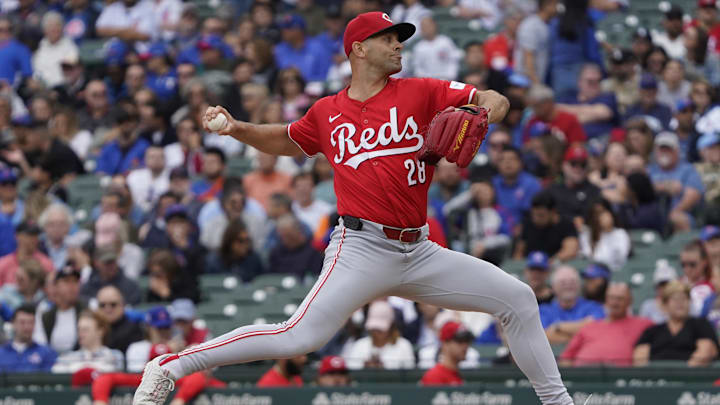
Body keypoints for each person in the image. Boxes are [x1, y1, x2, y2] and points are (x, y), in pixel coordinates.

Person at [133, 12, 574, 405]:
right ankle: (171, 366)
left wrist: (484, 113)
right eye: (388, 38)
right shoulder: (328, 112)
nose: (399, 44)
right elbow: (288, 139)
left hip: (419, 250)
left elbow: (491, 98)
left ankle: (559, 403)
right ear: (359, 49)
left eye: (400, 38)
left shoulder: (422, 92)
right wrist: (238, 128)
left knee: (517, 298)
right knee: (298, 336)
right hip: (361, 247)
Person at [560, 283, 652, 366]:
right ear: (606, 300)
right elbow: (567, 357)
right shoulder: (589, 327)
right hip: (584, 376)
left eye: (620, 298)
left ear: (629, 301)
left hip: (620, 378)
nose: (614, 303)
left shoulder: (643, 324)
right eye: (611, 298)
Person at [634, 281, 719, 366]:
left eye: (684, 298)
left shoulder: (701, 325)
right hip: (656, 378)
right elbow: (640, 358)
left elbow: (706, 351)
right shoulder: (652, 331)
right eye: (675, 299)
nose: (680, 303)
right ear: (664, 305)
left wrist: (681, 375)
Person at [648, 132, 704, 232]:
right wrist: (666, 186)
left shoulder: (688, 169)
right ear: (655, 151)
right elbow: (642, 189)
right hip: (653, 213)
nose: (664, 153)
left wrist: (675, 211)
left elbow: (693, 195)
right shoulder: (649, 170)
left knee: (678, 219)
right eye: (661, 149)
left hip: (679, 211)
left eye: (668, 149)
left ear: (677, 151)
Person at [540, 266, 605, 344]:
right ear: (553, 287)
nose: (568, 285)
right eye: (562, 282)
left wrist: (557, 326)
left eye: (572, 281)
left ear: (579, 285)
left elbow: (595, 328)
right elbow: (543, 337)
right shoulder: (543, 311)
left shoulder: (594, 306)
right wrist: (580, 334)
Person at [344, 300, 415, 370]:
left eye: (380, 329)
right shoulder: (359, 345)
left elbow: (409, 374)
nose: (376, 332)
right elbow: (352, 373)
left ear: (391, 326)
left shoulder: (404, 346)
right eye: (374, 328)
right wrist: (365, 368)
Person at [514, 191, 579, 262]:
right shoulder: (527, 223)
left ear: (553, 211)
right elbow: (519, 252)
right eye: (533, 215)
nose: (536, 219)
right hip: (530, 266)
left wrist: (548, 263)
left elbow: (570, 250)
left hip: (556, 266)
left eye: (541, 215)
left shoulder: (566, 225)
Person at [51, 310, 124, 373]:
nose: (80, 333)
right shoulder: (68, 357)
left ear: (100, 331)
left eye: (85, 330)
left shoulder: (115, 356)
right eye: (79, 329)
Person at [34, 265, 85, 353]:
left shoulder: (87, 311)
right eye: (66, 281)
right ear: (56, 286)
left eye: (75, 281)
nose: (72, 286)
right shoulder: (45, 314)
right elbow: (40, 343)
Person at [0, 304, 56, 372]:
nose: (27, 327)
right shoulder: (2, 353)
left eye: (31, 322)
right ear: (13, 323)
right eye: (22, 322)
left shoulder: (46, 353)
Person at [513, 0, 558, 85]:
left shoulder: (548, 24)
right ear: (547, 5)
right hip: (526, 81)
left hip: (540, 78)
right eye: (555, 4)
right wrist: (535, 82)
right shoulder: (531, 25)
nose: (557, 7)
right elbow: (528, 56)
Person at [578, 199, 630, 272]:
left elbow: (620, 258)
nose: (599, 217)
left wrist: (608, 231)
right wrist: (596, 234)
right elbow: (589, 257)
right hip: (594, 273)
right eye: (595, 214)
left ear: (609, 213)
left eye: (602, 213)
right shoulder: (586, 234)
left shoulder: (621, 233)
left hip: (617, 271)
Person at [420, 321, 473, 386]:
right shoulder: (435, 376)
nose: (465, 346)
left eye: (467, 341)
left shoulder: (456, 374)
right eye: (460, 341)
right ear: (445, 344)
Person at [96, 285, 144, 355]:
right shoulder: (93, 328)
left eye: (113, 304)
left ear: (123, 305)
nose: (108, 309)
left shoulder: (134, 329)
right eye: (102, 305)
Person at [681, 240, 716, 316]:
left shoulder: (713, 285)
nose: (687, 269)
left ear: (704, 262)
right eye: (683, 264)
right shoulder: (677, 283)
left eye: (692, 264)